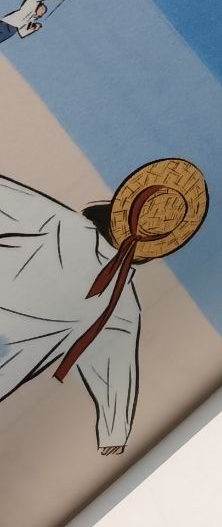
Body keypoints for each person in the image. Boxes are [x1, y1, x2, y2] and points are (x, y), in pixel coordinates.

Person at [0, 159, 208, 454]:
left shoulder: (56, 223)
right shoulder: (121, 305)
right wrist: (114, 434)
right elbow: (115, 375)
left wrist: (115, 431)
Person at [0, 0, 70, 45]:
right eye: (42, 8)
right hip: (5, 24)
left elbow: (22, 33)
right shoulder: (30, 5)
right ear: (39, 5)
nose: (42, 12)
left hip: (11, 31)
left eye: (43, 13)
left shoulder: (31, 20)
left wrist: (34, 28)